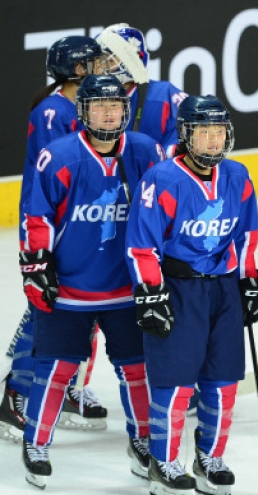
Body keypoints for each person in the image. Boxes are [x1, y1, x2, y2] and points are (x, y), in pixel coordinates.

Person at [19, 74, 163, 489]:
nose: (107, 113)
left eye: (115, 106)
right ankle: (37, 442)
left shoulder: (144, 151)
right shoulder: (59, 156)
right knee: (57, 367)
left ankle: (142, 438)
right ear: (82, 111)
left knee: (136, 368)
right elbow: (36, 217)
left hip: (125, 288)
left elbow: (161, 214)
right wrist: (36, 265)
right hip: (69, 289)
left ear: (126, 110)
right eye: (98, 106)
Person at [125, 94, 258, 495]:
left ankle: (209, 457)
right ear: (186, 135)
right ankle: (163, 462)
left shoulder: (238, 176)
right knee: (176, 382)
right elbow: (141, 246)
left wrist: (249, 280)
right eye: (203, 132)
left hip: (222, 290)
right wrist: (150, 291)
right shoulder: (162, 179)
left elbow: (247, 238)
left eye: (218, 132)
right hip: (178, 290)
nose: (212, 140)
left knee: (223, 380)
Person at [0, 35, 107, 444]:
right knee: (46, 315)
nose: (102, 69)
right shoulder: (52, 112)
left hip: (80, 228)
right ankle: (17, 395)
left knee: (83, 314)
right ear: (78, 70)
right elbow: (56, 180)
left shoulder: (78, 106)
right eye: (95, 64)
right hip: (55, 232)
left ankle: (54, 393)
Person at [96, 22, 188, 157]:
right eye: (99, 61)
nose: (100, 67)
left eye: (108, 60)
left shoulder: (164, 95)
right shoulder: (89, 99)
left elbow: (183, 150)